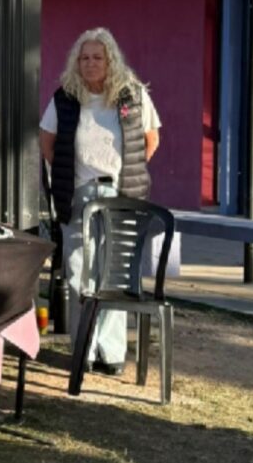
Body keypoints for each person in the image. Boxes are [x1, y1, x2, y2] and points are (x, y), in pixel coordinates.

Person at [39, 27, 161, 375]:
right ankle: (84, 351)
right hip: (79, 193)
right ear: (76, 62)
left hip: (121, 195)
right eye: (85, 57)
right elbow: (47, 143)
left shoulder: (133, 95)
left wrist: (128, 172)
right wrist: (71, 175)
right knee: (79, 273)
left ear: (110, 59)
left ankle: (111, 353)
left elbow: (150, 141)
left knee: (114, 275)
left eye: (97, 57)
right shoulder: (65, 96)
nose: (91, 63)